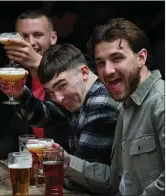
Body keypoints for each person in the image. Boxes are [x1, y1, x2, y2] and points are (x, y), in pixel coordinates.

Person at [54, 18, 164, 195]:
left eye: (117, 58)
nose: (107, 70)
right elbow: (115, 181)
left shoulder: (161, 102)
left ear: (141, 58)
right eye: (100, 63)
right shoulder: (126, 107)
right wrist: (66, 163)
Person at [0, 43, 122, 194]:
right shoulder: (81, 93)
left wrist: (53, 166)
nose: (58, 98)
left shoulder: (101, 104)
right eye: (51, 91)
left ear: (84, 72)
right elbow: (44, 116)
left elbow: (88, 180)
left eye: (62, 85)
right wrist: (20, 94)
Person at [0, 10, 73, 160]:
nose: (31, 42)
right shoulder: (21, 77)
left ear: (53, 38)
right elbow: (18, 136)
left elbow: (66, 128)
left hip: (67, 169)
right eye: (24, 37)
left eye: (38, 35)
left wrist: (39, 63)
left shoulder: (71, 69)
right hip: (35, 168)